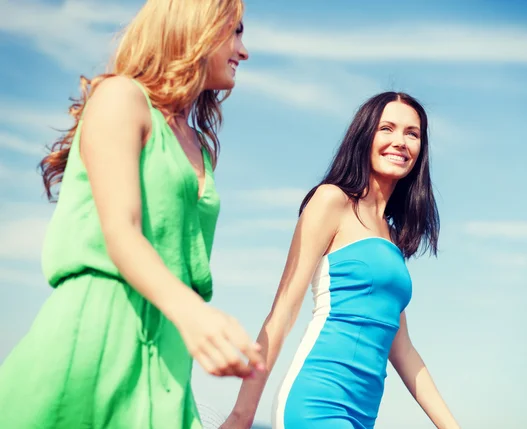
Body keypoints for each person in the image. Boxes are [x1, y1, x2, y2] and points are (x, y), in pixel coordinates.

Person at [0, 0, 264, 428]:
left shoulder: (199, 145)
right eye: (235, 31)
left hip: (169, 359)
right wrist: (195, 315)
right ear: (196, 28)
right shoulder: (121, 97)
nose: (244, 50)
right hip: (97, 337)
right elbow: (121, 232)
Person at [221, 92, 460, 429]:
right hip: (316, 402)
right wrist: (241, 413)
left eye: (412, 133)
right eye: (387, 129)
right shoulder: (332, 200)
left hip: (362, 414)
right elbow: (284, 311)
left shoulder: (391, 237)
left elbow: (402, 348)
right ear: (365, 136)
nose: (400, 142)